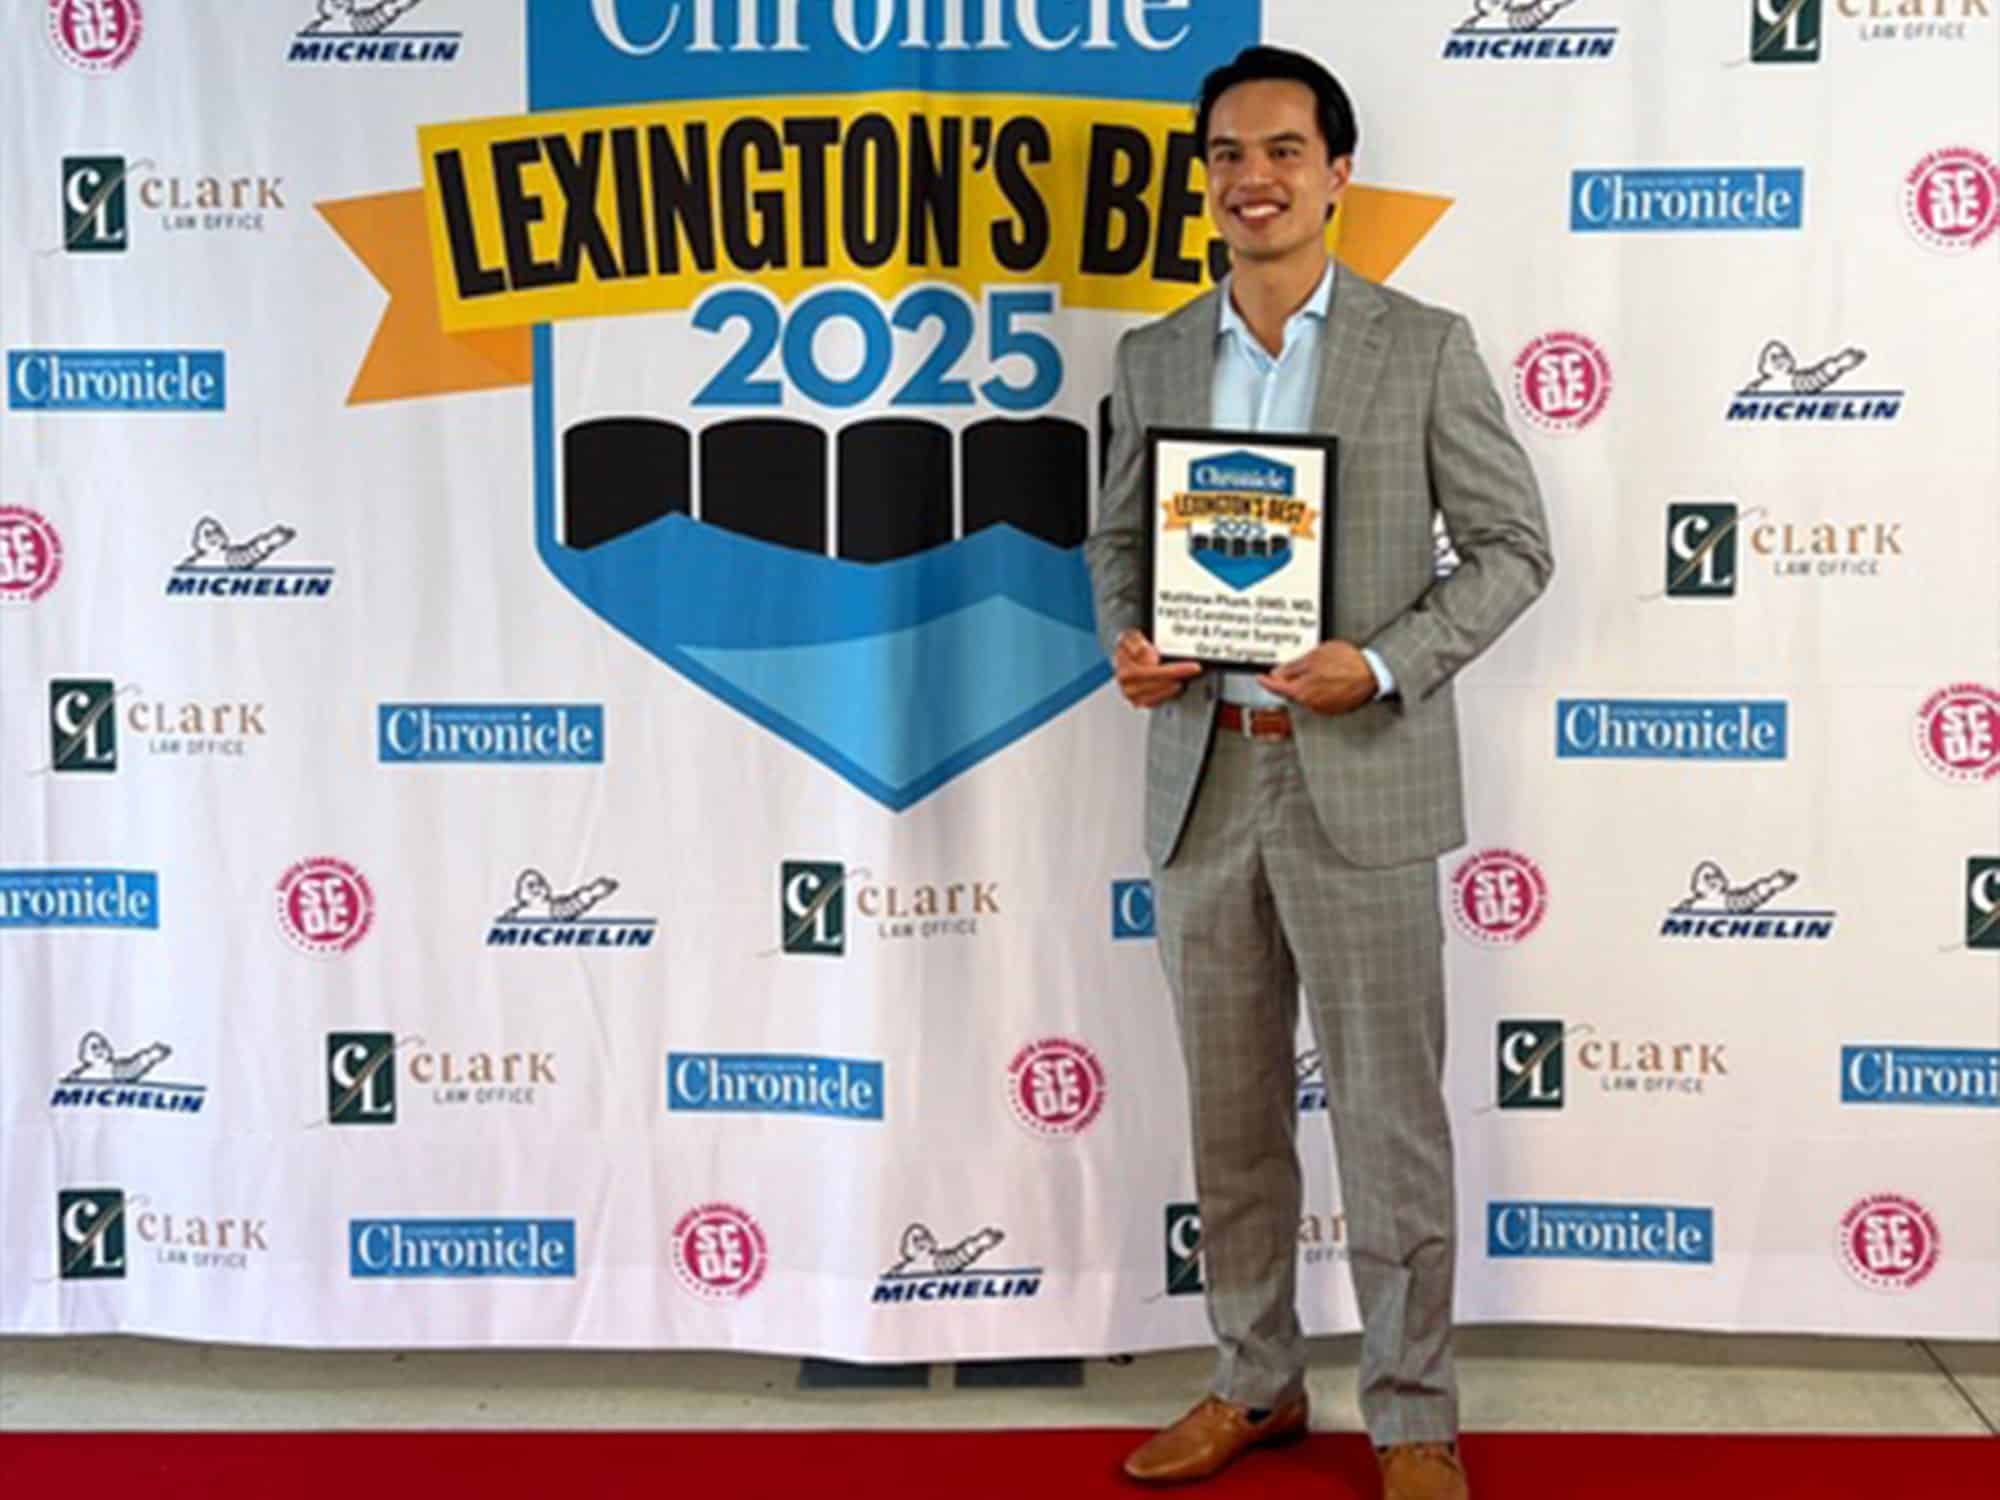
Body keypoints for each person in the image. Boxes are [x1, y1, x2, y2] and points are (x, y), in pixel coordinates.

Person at [1082, 45, 1553, 1500]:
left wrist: (1387, 663)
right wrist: (1131, 642)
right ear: (1207, 178)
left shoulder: (1424, 346)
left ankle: (1413, 1412)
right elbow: (1112, 544)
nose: (1254, 179)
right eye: (1227, 154)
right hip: (1206, 776)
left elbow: (1516, 551)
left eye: (1284, 150)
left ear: (1337, 173)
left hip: (1360, 773)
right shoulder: (1153, 357)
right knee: (1231, 1118)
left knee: (1387, 1119)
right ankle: (1254, 1382)